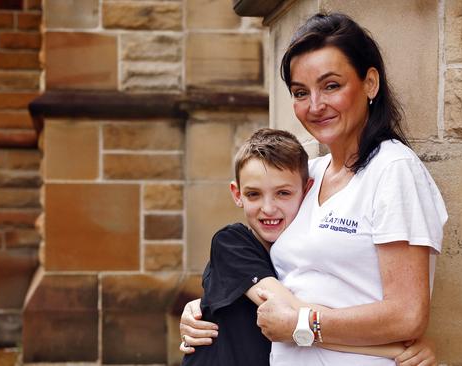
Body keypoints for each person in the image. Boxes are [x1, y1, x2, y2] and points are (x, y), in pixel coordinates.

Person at [181, 12, 447, 366]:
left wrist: (303, 324)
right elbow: (265, 271)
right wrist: (204, 306)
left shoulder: (392, 169)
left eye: (331, 86)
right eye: (301, 92)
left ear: (370, 83)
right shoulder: (311, 174)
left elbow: (407, 315)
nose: (315, 106)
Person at [181, 128, 437, 366]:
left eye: (283, 193)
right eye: (253, 195)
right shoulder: (231, 242)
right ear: (237, 194)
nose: (268, 208)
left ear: (307, 192)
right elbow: (294, 317)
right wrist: (392, 348)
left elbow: (296, 323)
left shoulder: (282, 262)